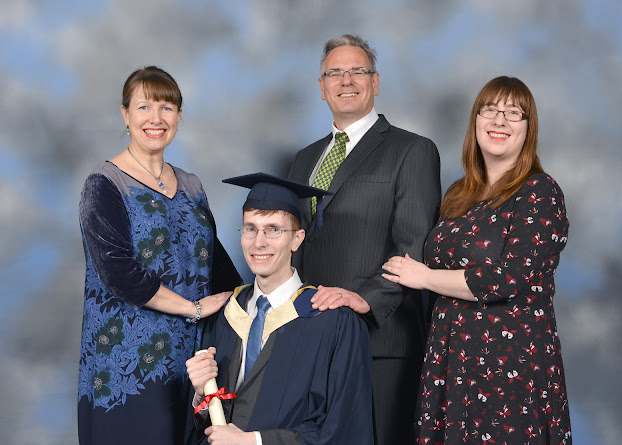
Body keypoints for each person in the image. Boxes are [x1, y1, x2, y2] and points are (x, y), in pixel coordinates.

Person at [382, 76, 572, 444]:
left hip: (508, 364)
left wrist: (425, 277)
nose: (499, 121)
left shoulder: (539, 191)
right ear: (476, 121)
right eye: (490, 110)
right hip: (450, 359)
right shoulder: (459, 194)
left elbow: (505, 278)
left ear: (528, 129)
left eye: (513, 113)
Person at [287, 34, 441, 444]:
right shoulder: (304, 159)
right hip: (311, 338)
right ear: (322, 88)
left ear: (375, 82)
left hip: (381, 342)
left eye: (358, 71)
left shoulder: (412, 150)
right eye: (335, 73)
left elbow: (414, 246)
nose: (346, 80)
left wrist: (364, 299)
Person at [77, 66, 242, 444]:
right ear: (125, 114)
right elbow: (117, 271)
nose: (156, 118)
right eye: (144, 107)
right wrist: (192, 309)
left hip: (194, 363)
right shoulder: (105, 184)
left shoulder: (192, 186)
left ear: (179, 117)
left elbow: (215, 263)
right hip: (128, 363)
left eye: (166, 107)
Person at [185, 173, 373, 444]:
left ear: (297, 239)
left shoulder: (333, 322)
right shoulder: (225, 315)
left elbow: (344, 426)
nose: (259, 242)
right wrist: (201, 397)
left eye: (273, 229)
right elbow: (205, 424)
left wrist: (254, 441)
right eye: (250, 228)